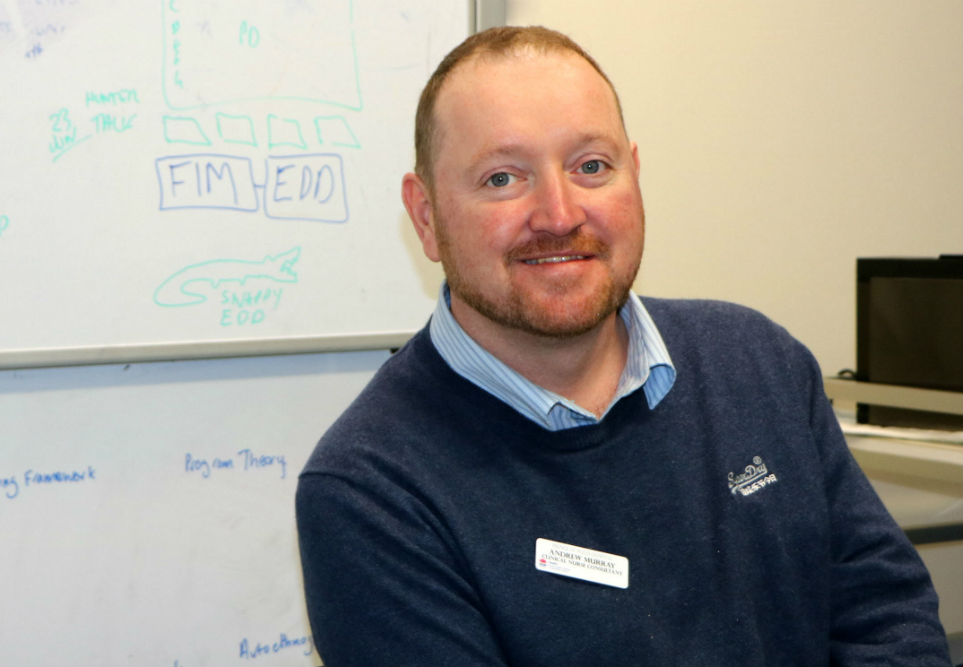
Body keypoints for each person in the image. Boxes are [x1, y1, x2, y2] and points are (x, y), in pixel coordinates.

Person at [296, 26, 951, 666]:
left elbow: (886, 614)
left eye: (591, 166)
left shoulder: (760, 362)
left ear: (633, 176)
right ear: (427, 216)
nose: (559, 214)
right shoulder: (370, 490)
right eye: (502, 178)